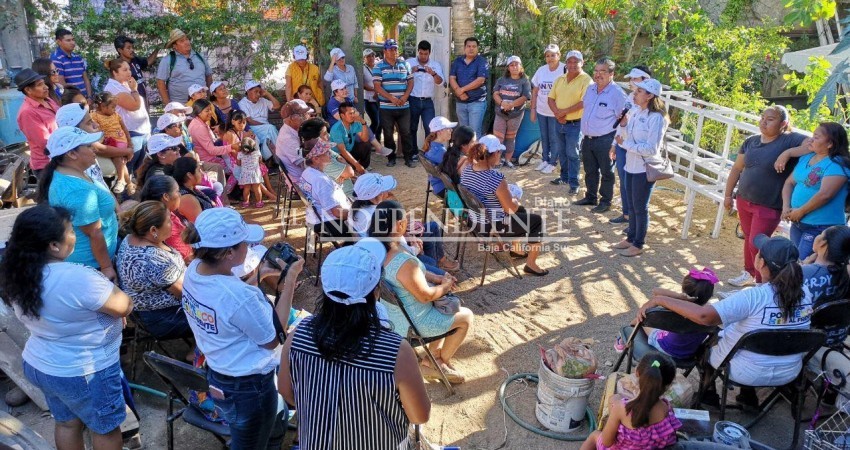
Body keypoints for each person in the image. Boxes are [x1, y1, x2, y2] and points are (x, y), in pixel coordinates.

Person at [0, 205, 133, 450]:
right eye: (71, 230)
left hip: (42, 363)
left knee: (67, 423)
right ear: (53, 244)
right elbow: (124, 306)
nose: (74, 235)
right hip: (84, 370)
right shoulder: (76, 277)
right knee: (105, 428)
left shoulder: (17, 273)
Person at [279, 238, 430, 449]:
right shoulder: (397, 351)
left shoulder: (298, 336)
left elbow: (287, 393)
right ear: (376, 291)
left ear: (326, 290)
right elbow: (419, 415)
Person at [638, 234, 813, 407]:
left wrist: (660, 300)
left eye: (759, 253)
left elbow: (704, 317)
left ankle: (708, 395)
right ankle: (747, 396)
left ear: (761, 263)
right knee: (755, 338)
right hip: (789, 370)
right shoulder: (806, 292)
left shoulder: (754, 296)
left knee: (707, 347)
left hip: (745, 371)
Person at [182, 208, 304, 449]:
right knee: (249, 444)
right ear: (228, 253)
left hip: (221, 371)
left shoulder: (194, 270)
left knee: (267, 433)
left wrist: (259, 274)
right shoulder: (240, 297)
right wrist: (288, 282)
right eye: (245, 243)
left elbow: (228, 303)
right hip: (249, 387)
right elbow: (273, 339)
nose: (249, 246)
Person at [369, 200, 472, 383]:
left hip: (392, 316)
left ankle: (430, 357)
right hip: (411, 323)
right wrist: (445, 286)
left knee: (444, 307)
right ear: (400, 224)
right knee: (466, 316)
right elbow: (425, 296)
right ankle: (437, 364)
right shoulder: (402, 259)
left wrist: (436, 278)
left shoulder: (377, 249)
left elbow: (416, 274)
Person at [723, 105, 808, 286]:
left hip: (769, 204)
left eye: (770, 119)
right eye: (763, 117)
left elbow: (813, 145)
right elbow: (737, 168)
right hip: (744, 199)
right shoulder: (751, 141)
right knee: (748, 238)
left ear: (783, 123)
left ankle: (762, 283)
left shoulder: (789, 140)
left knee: (757, 243)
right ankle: (749, 273)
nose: (764, 122)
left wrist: (788, 153)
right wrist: (728, 195)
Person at [38, 127, 119, 280]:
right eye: (88, 146)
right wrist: (106, 267)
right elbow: (94, 233)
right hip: (93, 264)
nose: (94, 148)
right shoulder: (77, 191)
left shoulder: (73, 172)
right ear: (71, 153)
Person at [461, 135, 548, 275]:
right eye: (499, 153)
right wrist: (514, 198)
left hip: (474, 222)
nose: (500, 156)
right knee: (536, 221)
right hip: (493, 226)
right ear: (495, 153)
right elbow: (510, 209)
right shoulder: (495, 178)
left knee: (523, 212)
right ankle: (531, 264)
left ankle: (516, 249)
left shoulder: (467, 170)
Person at [351, 173, 459, 272]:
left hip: (387, 249)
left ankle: (440, 261)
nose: (387, 192)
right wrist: (415, 249)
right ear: (375, 196)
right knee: (432, 262)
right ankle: (432, 268)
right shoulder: (378, 215)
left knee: (433, 227)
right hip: (393, 256)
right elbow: (396, 249)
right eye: (384, 190)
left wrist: (408, 235)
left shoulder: (357, 209)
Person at [610, 79, 668, 257]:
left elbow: (651, 148)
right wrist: (624, 124)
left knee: (640, 206)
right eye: (636, 91)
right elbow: (629, 136)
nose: (635, 94)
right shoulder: (635, 112)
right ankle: (630, 237)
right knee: (632, 205)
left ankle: (638, 243)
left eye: (639, 92)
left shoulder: (656, 118)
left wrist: (625, 145)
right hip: (631, 165)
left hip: (644, 167)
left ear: (650, 96)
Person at [116, 200, 190, 339]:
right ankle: (198, 351)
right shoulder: (153, 259)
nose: (172, 224)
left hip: (145, 313)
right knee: (218, 318)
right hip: (165, 318)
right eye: (169, 221)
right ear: (153, 230)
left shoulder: (131, 238)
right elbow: (185, 294)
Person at [580, 353, 681, 450]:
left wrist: (613, 408)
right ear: (669, 384)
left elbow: (607, 442)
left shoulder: (621, 408)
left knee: (594, 435)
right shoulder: (666, 408)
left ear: (637, 373)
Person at [782, 122, 850, 259]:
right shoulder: (807, 157)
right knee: (797, 261)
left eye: (817, 137)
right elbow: (789, 182)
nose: (811, 139)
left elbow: (825, 195)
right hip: (798, 221)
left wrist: (800, 211)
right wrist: (786, 207)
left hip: (821, 226)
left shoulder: (837, 164)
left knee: (802, 264)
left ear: (830, 143)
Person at [802, 226, 850, 405]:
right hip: (836, 340)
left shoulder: (804, 274)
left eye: (821, 235)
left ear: (822, 244)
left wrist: (805, 265)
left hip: (806, 343)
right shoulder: (846, 275)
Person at [574, 58, 628, 212]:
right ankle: (590, 196)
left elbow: (623, 120)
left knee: (607, 172)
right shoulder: (590, 89)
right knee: (590, 170)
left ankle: (605, 201)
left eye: (602, 71)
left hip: (606, 138)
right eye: (596, 71)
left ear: (612, 74)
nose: (598, 75)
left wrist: (615, 143)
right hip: (588, 138)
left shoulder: (617, 94)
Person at [629, 268, 717, 358]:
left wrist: (679, 296)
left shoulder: (676, 307)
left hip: (667, 347)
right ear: (710, 295)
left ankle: (626, 334)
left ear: (683, 289)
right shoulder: (712, 314)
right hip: (689, 353)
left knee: (642, 318)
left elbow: (656, 291)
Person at [55, 101, 133, 191]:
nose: (96, 125)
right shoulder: (74, 181)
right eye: (89, 122)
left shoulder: (89, 162)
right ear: (75, 130)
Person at [609, 66, 653, 225]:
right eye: (631, 79)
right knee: (624, 180)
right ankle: (627, 214)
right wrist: (615, 143)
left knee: (637, 187)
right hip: (623, 145)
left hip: (639, 150)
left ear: (645, 81)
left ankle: (635, 222)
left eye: (635, 79)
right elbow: (622, 123)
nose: (631, 82)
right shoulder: (629, 98)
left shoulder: (652, 107)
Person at [547, 50, 592, 193]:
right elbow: (551, 98)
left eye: (576, 61)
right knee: (562, 152)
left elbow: (584, 102)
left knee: (572, 153)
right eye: (570, 61)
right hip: (559, 121)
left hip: (575, 123)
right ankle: (564, 176)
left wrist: (563, 112)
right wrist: (557, 113)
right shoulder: (560, 79)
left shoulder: (587, 80)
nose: (572, 64)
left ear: (582, 62)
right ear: (565, 63)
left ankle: (574, 183)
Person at [298, 140, 355, 240]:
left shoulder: (307, 172)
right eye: (327, 152)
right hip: (329, 224)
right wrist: (356, 214)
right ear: (316, 158)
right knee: (370, 221)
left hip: (315, 219)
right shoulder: (321, 180)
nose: (330, 154)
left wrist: (334, 186)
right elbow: (337, 213)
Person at [373, 39, 416, 168]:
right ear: (385, 51)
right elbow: (377, 87)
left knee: (406, 132)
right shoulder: (378, 66)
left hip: (404, 105)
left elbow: (411, 82)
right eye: (391, 49)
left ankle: (408, 158)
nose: (394, 51)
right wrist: (391, 98)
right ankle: (391, 158)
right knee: (388, 133)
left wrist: (405, 96)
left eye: (396, 48)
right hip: (386, 106)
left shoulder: (405, 64)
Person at [104, 59, 151, 174]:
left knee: (139, 167)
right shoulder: (113, 88)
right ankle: (125, 191)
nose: (129, 72)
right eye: (124, 70)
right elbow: (134, 106)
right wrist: (134, 90)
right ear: (115, 73)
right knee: (128, 168)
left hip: (140, 130)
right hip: (130, 133)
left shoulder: (125, 84)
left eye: (129, 69)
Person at [222, 111, 275, 200]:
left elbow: (249, 146)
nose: (242, 125)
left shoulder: (242, 132)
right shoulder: (230, 134)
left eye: (244, 122)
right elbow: (233, 153)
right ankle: (268, 193)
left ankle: (270, 190)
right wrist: (248, 161)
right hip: (231, 160)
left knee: (262, 166)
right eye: (239, 123)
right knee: (252, 172)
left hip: (242, 158)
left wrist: (251, 138)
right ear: (233, 122)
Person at [531, 44, 566, 175]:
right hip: (541, 110)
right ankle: (545, 160)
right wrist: (533, 109)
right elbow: (535, 91)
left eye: (553, 55)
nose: (550, 58)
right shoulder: (541, 70)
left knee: (554, 137)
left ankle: (553, 162)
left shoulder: (565, 69)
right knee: (544, 136)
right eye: (547, 55)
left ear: (559, 55)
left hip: (556, 112)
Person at [15, 68, 59, 173]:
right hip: (47, 165)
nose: (46, 87)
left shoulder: (48, 100)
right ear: (28, 90)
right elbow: (45, 143)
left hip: (61, 158)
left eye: (44, 83)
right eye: (40, 85)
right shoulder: (27, 112)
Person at [140, 175, 193, 262]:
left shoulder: (166, 213)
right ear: (166, 197)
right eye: (177, 191)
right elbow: (185, 257)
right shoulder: (164, 224)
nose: (180, 194)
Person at [299, 117, 356, 195]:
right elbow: (350, 172)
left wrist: (343, 165)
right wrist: (345, 165)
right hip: (347, 197)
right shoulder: (321, 159)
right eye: (325, 134)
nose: (329, 136)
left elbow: (339, 157)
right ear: (315, 139)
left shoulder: (320, 150)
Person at [188, 99, 238, 188]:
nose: (211, 112)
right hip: (208, 160)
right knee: (237, 169)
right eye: (207, 110)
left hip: (209, 157)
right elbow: (212, 150)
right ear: (199, 112)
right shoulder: (199, 127)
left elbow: (212, 141)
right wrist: (232, 147)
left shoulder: (199, 122)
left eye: (210, 109)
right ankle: (226, 193)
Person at [90, 92, 133, 194]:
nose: (115, 109)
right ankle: (129, 183)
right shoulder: (94, 115)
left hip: (120, 141)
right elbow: (94, 129)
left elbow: (124, 128)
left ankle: (122, 180)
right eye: (113, 107)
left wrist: (130, 142)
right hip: (108, 142)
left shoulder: (116, 115)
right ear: (103, 106)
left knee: (117, 158)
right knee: (120, 161)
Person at [493, 55, 531, 168]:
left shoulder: (525, 81)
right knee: (498, 138)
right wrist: (502, 103)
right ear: (508, 67)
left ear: (521, 66)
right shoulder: (501, 80)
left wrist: (512, 105)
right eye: (511, 65)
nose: (514, 67)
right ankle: (496, 161)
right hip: (500, 113)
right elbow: (495, 93)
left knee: (510, 137)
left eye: (516, 64)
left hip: (515, 114)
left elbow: (525, 96)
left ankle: (508, 160)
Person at [156, 29, 211, 104]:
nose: (187, 42)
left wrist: (209, 96)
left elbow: (208, 75)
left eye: (187, 39)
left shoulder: (199, 57)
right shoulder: (168, 60)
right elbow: (160, 83)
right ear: (175, 46)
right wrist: (169, 106)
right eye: (182, 41)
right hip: (180, 107)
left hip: (202, 106)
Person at [449, 37, 489, 138]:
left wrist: (461, 90)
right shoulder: (458, 61)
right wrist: (460, 93)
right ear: (464, 48)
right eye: (469, 46)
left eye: (474, 46)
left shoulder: (482, 61)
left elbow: (480, 80)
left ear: (477, 48)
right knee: (463, 132)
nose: (471, 49)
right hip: (461, 102)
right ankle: (464, 154)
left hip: (477, 102)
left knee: (474, 132)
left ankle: (476, 154)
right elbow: (452, 78)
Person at [409, 40, 445, 141]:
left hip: (427, 102)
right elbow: (401, 79)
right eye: (421, 53)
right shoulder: (409, 62)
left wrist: (433, 73)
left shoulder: (435, 65)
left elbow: (440, 82)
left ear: (430, 52)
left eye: (426, 54)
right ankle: (413, 153)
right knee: (412, 128)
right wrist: (411, 71)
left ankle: (427, 153)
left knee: (430, 129)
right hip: (412, 100)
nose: (423, 56)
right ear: (418, 51)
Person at [238, 81, 280, 160]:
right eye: (256, 92)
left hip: (266, 128)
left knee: (269, 134)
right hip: (253, 128)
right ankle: (278, 157)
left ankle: (265, 157)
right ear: (248, 91)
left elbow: (277, 106)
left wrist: (268, 94)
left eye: (259, 92)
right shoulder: (243, 103)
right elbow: (249, 121)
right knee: (271, 129)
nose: (258, 94)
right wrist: (265, 126)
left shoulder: (263, 100)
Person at [114, 35, 159, 107]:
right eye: (128, 48)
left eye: (132, 47)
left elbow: (148, 61)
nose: (132, 50)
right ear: (120, 50)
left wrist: (157, 48)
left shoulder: (135, 60)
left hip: (144, 97)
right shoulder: (118, 66)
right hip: (132, 101)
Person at [274, 99, 313, 182]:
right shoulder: (287, 138)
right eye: (302, 115)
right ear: (292, 118)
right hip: (301, 180)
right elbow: (305, 164)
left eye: (306, 114)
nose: (306, 117)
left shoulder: (292, 130)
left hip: (304, 175)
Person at [170, 156, 215, 223]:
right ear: (189, 175)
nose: (202, 174)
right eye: (198, 170)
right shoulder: (186, 199)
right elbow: (200, 226)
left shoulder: (192, 189)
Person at [329, 101, 372, 171]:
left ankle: (363, 168)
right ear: (342, 116)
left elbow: (365, 139)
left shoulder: (355, 122)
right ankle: (356, 167)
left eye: (353, 113)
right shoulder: (336, 129)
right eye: (350, 113)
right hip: (339, 156)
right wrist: (356, 164)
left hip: (350, 150)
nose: (353, 115)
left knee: (366, 145)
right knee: (350, 169)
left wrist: (363, 123)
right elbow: (343, 151)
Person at [50, 28, 92, 98]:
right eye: (68, 40)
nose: (72, 43)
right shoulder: (56, 58)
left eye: (73, 39)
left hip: (85, 99)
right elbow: (61, 84)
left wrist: (89, 97)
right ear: (58, 42)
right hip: (70, 100)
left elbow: (85, 79)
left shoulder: (78, 57)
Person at [422, 116, 458, 198]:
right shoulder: (440, 151)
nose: (451, 130)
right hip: (445, 188)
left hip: (438, 185)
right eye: (448, 128)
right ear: (440, 131)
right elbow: (455, 170)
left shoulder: (432, 146)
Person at [236, 137, 266, 208]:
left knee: (246, 188)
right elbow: (260, 161)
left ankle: (246, 202)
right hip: (255, 173)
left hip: (245, 173)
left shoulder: (240, 154)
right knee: (257, 188)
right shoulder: (257, 152)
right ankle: (259, 202)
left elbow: (238, 163)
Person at [362, 49, 382, 141]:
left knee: (380, 122)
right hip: (369, 99)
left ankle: (377, 141)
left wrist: (378, 92)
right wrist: (375, 90)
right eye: (368, 56)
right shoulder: (363, 68)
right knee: (375, 121)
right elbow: (363, 84)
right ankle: (367, 139)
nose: (371, 58)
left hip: (379, 98)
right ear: (364, 58)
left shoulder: (378, 67)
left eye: (372, 56)